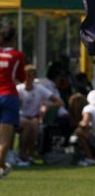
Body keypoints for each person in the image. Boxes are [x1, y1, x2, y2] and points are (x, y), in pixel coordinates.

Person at [16, 65, 63, 166]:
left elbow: (59, 102)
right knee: (28, 125)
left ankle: (30, 154)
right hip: (20, 117)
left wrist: (46, 106)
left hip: (34, 117)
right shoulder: (18, 89)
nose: (28, 78)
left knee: (33, 124)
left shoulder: (39, 89)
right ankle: (22, 153)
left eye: (31, 76)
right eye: (27, 76)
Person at [0, 24, 26, 178]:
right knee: (4, 139)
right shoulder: (17, 55)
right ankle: (2, 166)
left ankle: (2, 166)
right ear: (14, 39)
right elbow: (21, 77)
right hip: (8, 96)